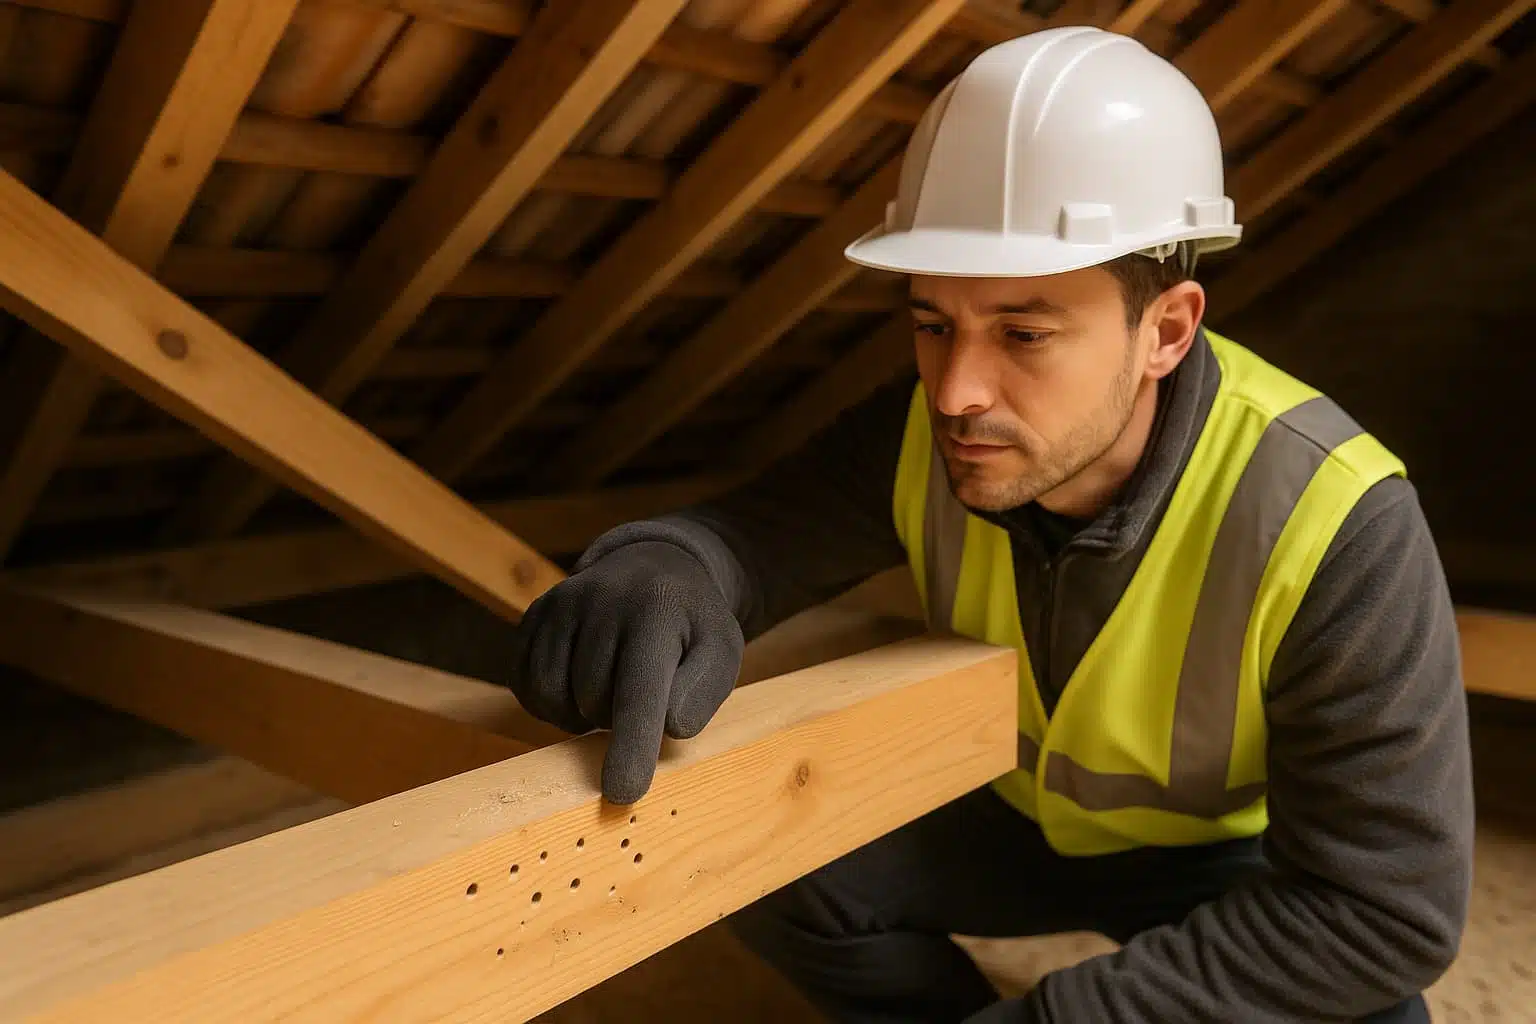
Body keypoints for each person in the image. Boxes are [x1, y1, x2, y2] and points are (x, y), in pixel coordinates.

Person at [503, 26, 1472, 1024]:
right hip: (1005, 819)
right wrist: (661, 563)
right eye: (933, 325)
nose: (957, 392)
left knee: (1374, 1009)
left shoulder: (1334, 516)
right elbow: (746, 538)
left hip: (1225, 858)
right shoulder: (933, 433)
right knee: (753, 850)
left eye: (1024, 333)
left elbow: (1383, 908)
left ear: (1167, 330)